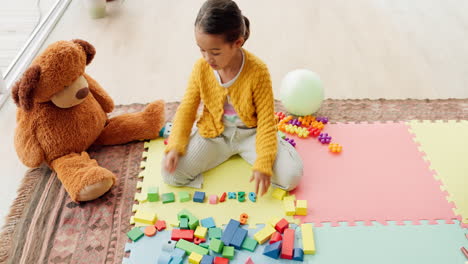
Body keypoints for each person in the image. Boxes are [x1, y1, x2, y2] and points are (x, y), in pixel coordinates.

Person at [162, 0, 303, 196]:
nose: (207, 58)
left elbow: (266, 121)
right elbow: (187, 108)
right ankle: (200, 142)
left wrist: (263, 161)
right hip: (215, 135)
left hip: (250, 136)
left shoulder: (258, 71)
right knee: (170, 174)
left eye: (215, 52)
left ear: (237, 42)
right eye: (201, 50)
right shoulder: (201, 68)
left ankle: (278, 147)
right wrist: (176, 145)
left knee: (291, 177)